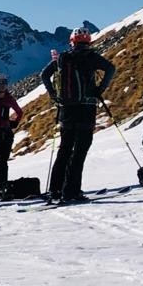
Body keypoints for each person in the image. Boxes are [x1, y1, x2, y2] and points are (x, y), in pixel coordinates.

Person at [41, 24, 116, 203]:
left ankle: (55, 190)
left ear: (72, 42)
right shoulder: (91, 57)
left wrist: (54, 95)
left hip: (66, 109)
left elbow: (45, 75)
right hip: (86, 108)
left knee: (65, 149)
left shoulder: (62, 58)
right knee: (80, 150)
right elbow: (111, 69)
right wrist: (100, 89)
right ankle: (72, 191)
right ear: (88, 41)